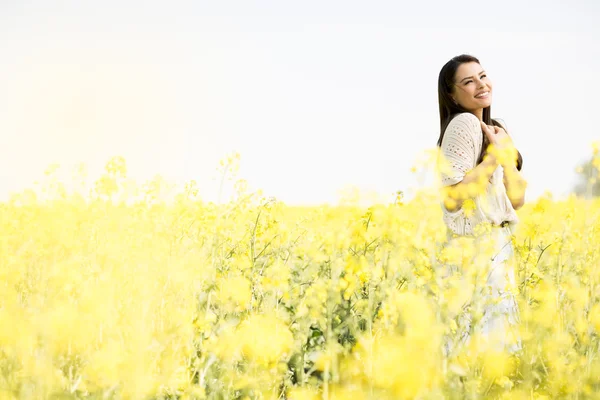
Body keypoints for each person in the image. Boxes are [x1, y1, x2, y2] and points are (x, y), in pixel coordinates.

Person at [435, 54, 528, 356]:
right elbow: (453, 196)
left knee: (491, 343)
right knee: (479, 343)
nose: (480, 85)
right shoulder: (463, 123)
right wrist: (491, 159)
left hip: (497, 245)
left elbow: (516, 200)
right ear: (452, 94)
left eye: (483, 76)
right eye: (468, 81)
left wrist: (505, 154)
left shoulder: (495, 127)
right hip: (474, 247)